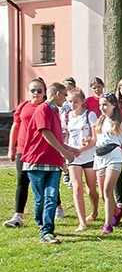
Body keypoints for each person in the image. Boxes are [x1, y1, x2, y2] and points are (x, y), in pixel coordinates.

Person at [21, 83, 79, 244]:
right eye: (65, 96)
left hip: (53, 163)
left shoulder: (55, 112)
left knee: (51, 196)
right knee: (40, 198)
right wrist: (64, 152)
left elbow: (55, 137)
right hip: (37, 160)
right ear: (57, 94)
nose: (66, 100)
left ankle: (47, 230)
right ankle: (41, 225)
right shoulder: (43, 109)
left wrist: (69, 148)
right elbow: (45, 132)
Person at [3, 78, 65, 227]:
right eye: (32, 90)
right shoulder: (24, 106)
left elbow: (49, 131)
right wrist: (11, 148)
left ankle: (57, 207)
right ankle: (18, 216)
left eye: (39, 90)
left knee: (47, 183)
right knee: (22, 180)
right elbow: (16, 126)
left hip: (44, 151)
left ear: (45, 92)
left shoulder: (48, 109)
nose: (35, 93)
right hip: (24, 149)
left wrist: (63, 150)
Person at [94, 93, 122, 235]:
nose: (102, 108)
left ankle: (108, 225)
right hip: (100, 157)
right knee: (103, 194)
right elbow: (96, 140)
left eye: (105, 105)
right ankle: (117, 211)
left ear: (113, 105)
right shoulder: (100, 121)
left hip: (114, 156)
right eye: (100, 105)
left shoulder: (119, 124)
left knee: (107, 191)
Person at [63, 88, 99, 231]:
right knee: (77, 188)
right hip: (73, 157)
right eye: (70, 101)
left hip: (88, 155)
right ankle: (82, 222)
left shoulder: (90, 115)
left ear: (83, 101)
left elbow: (95, 138)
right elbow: (65, 136)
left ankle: (95, 211)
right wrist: (67, 151)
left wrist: (82, 149)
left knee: (91, 190)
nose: (73, 105)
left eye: (76, 102)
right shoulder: (66, 116)